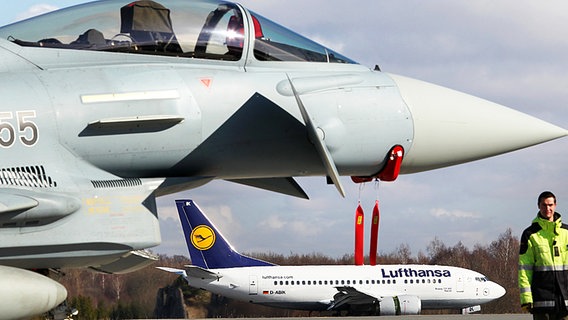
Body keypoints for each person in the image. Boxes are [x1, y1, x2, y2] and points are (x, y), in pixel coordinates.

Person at [519, 191, 568, 319]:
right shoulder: (529, 234)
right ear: (538, 206)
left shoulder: (566, 232)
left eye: (550, 205)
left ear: (555, 205)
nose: (548, 208)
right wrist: (526, 298)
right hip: (542, 302)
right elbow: (524, 269)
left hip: (565, 302)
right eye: (544, 205)